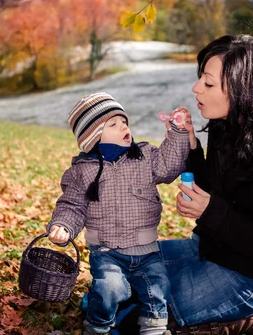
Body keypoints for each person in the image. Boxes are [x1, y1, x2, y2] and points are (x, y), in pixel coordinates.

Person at [118, 35, 253, 335]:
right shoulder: (228, 125)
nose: (196, 89)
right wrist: (192, 147)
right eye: (200, 80)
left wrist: (211, 212)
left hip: (251, 279)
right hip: (207, 249)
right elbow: (215, 189)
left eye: (208, 83)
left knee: (134, 321)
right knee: (117, 280)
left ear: (244, 90)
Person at [46, 92, 193, 335]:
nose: (123, 126)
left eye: (123, 121)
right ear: (93, 138)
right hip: (107, 251)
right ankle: (97, 326)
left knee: (158, 286)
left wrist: (178, 132)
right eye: (113, 124)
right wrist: (62, 225)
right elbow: (72, 204)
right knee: (110, 288)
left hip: (146, 250)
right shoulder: (83, 172)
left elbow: (169, 166)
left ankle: (153, 328)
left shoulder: (144, 156)